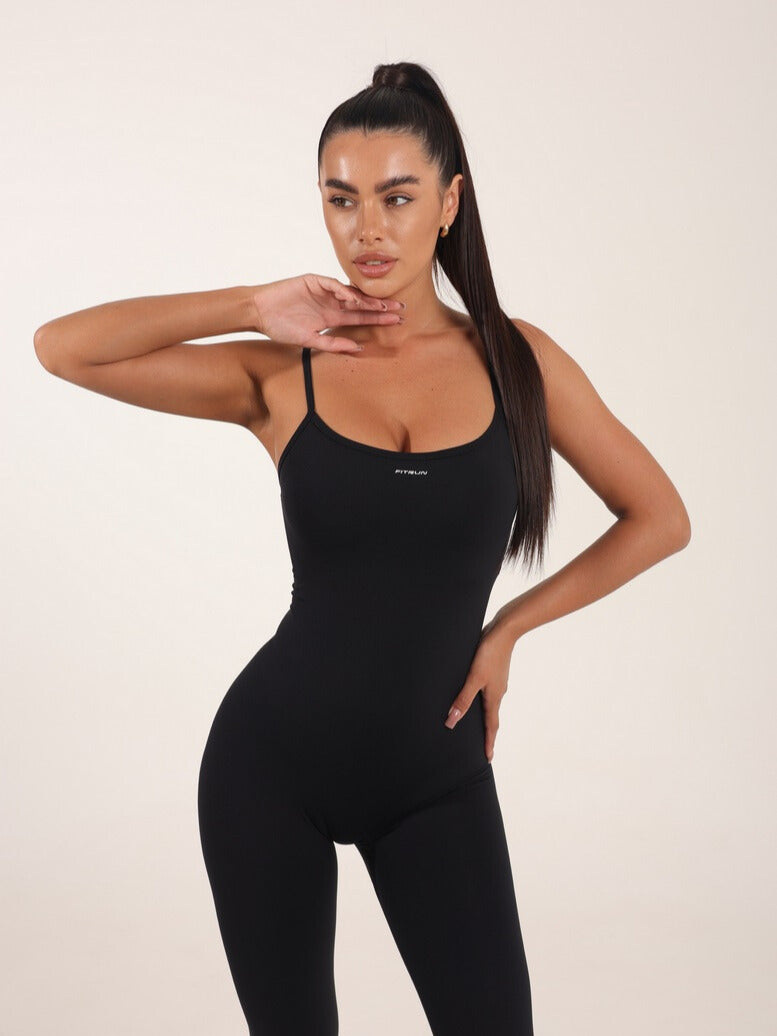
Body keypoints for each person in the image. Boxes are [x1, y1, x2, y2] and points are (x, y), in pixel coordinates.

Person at [33, 61, 691, 1036]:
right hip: (269, 770)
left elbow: (659, 516)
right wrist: (250, 304)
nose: (367, 229)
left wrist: (509, 627)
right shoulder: (281, 373)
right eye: (341, 199)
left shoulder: (519, 362)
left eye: (397, 197)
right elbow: (63, 346)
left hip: (435, 776)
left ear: (449, 203)